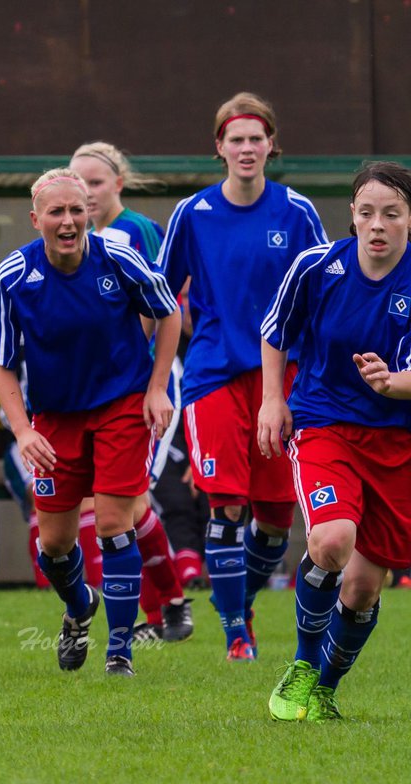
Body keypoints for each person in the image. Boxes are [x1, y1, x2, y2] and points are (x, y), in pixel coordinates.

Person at [0, 168, 180, 677]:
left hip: (121, 405)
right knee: (53, 545)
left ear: (89, 214)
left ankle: (120, 652)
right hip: (54, 418)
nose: (69, 220)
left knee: (116, 525)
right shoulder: (12, 276)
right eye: (57, 212)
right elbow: (1, 363)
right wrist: (24, 430)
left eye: (77, 210)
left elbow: (168, 312)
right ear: (36, 220)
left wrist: (157, 386)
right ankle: (78, 608)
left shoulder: (118, 257)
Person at [157, 92, 328, 660]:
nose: (248, 148)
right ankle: (236, 635)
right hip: (213, 376)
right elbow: (161, 295)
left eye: (258, 138)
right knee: (227, 504)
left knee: (277, 520)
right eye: (237, 139)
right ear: (219, 148)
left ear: (272, 145)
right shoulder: (193, 213)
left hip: (283, 382)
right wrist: (155, 365)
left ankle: (242, 602)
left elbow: (323, 294)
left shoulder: (297, 212)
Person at [260, 161, 411, 722]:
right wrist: (273, 399)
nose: (377, 224)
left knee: (367, 587)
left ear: (409, 221)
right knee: (330, 541)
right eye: (367, 212)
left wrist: (393, 383)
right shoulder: (316, 266)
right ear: (352, 214)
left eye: (391, 214)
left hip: (397, 442)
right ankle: (302, 665)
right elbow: (275, 332)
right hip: (325, 425)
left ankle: (325, 687)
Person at [69, 143, 193, 643]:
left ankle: (162, 612)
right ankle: (169, 610)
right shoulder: (80, 238)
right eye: (79, 184)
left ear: (119, 182)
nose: (88, 192)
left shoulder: (132, 231)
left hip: (141, 384)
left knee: (124, 502)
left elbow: (158, 304)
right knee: (124, 505)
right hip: (107, 388)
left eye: (96, 182)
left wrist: (127, 370)